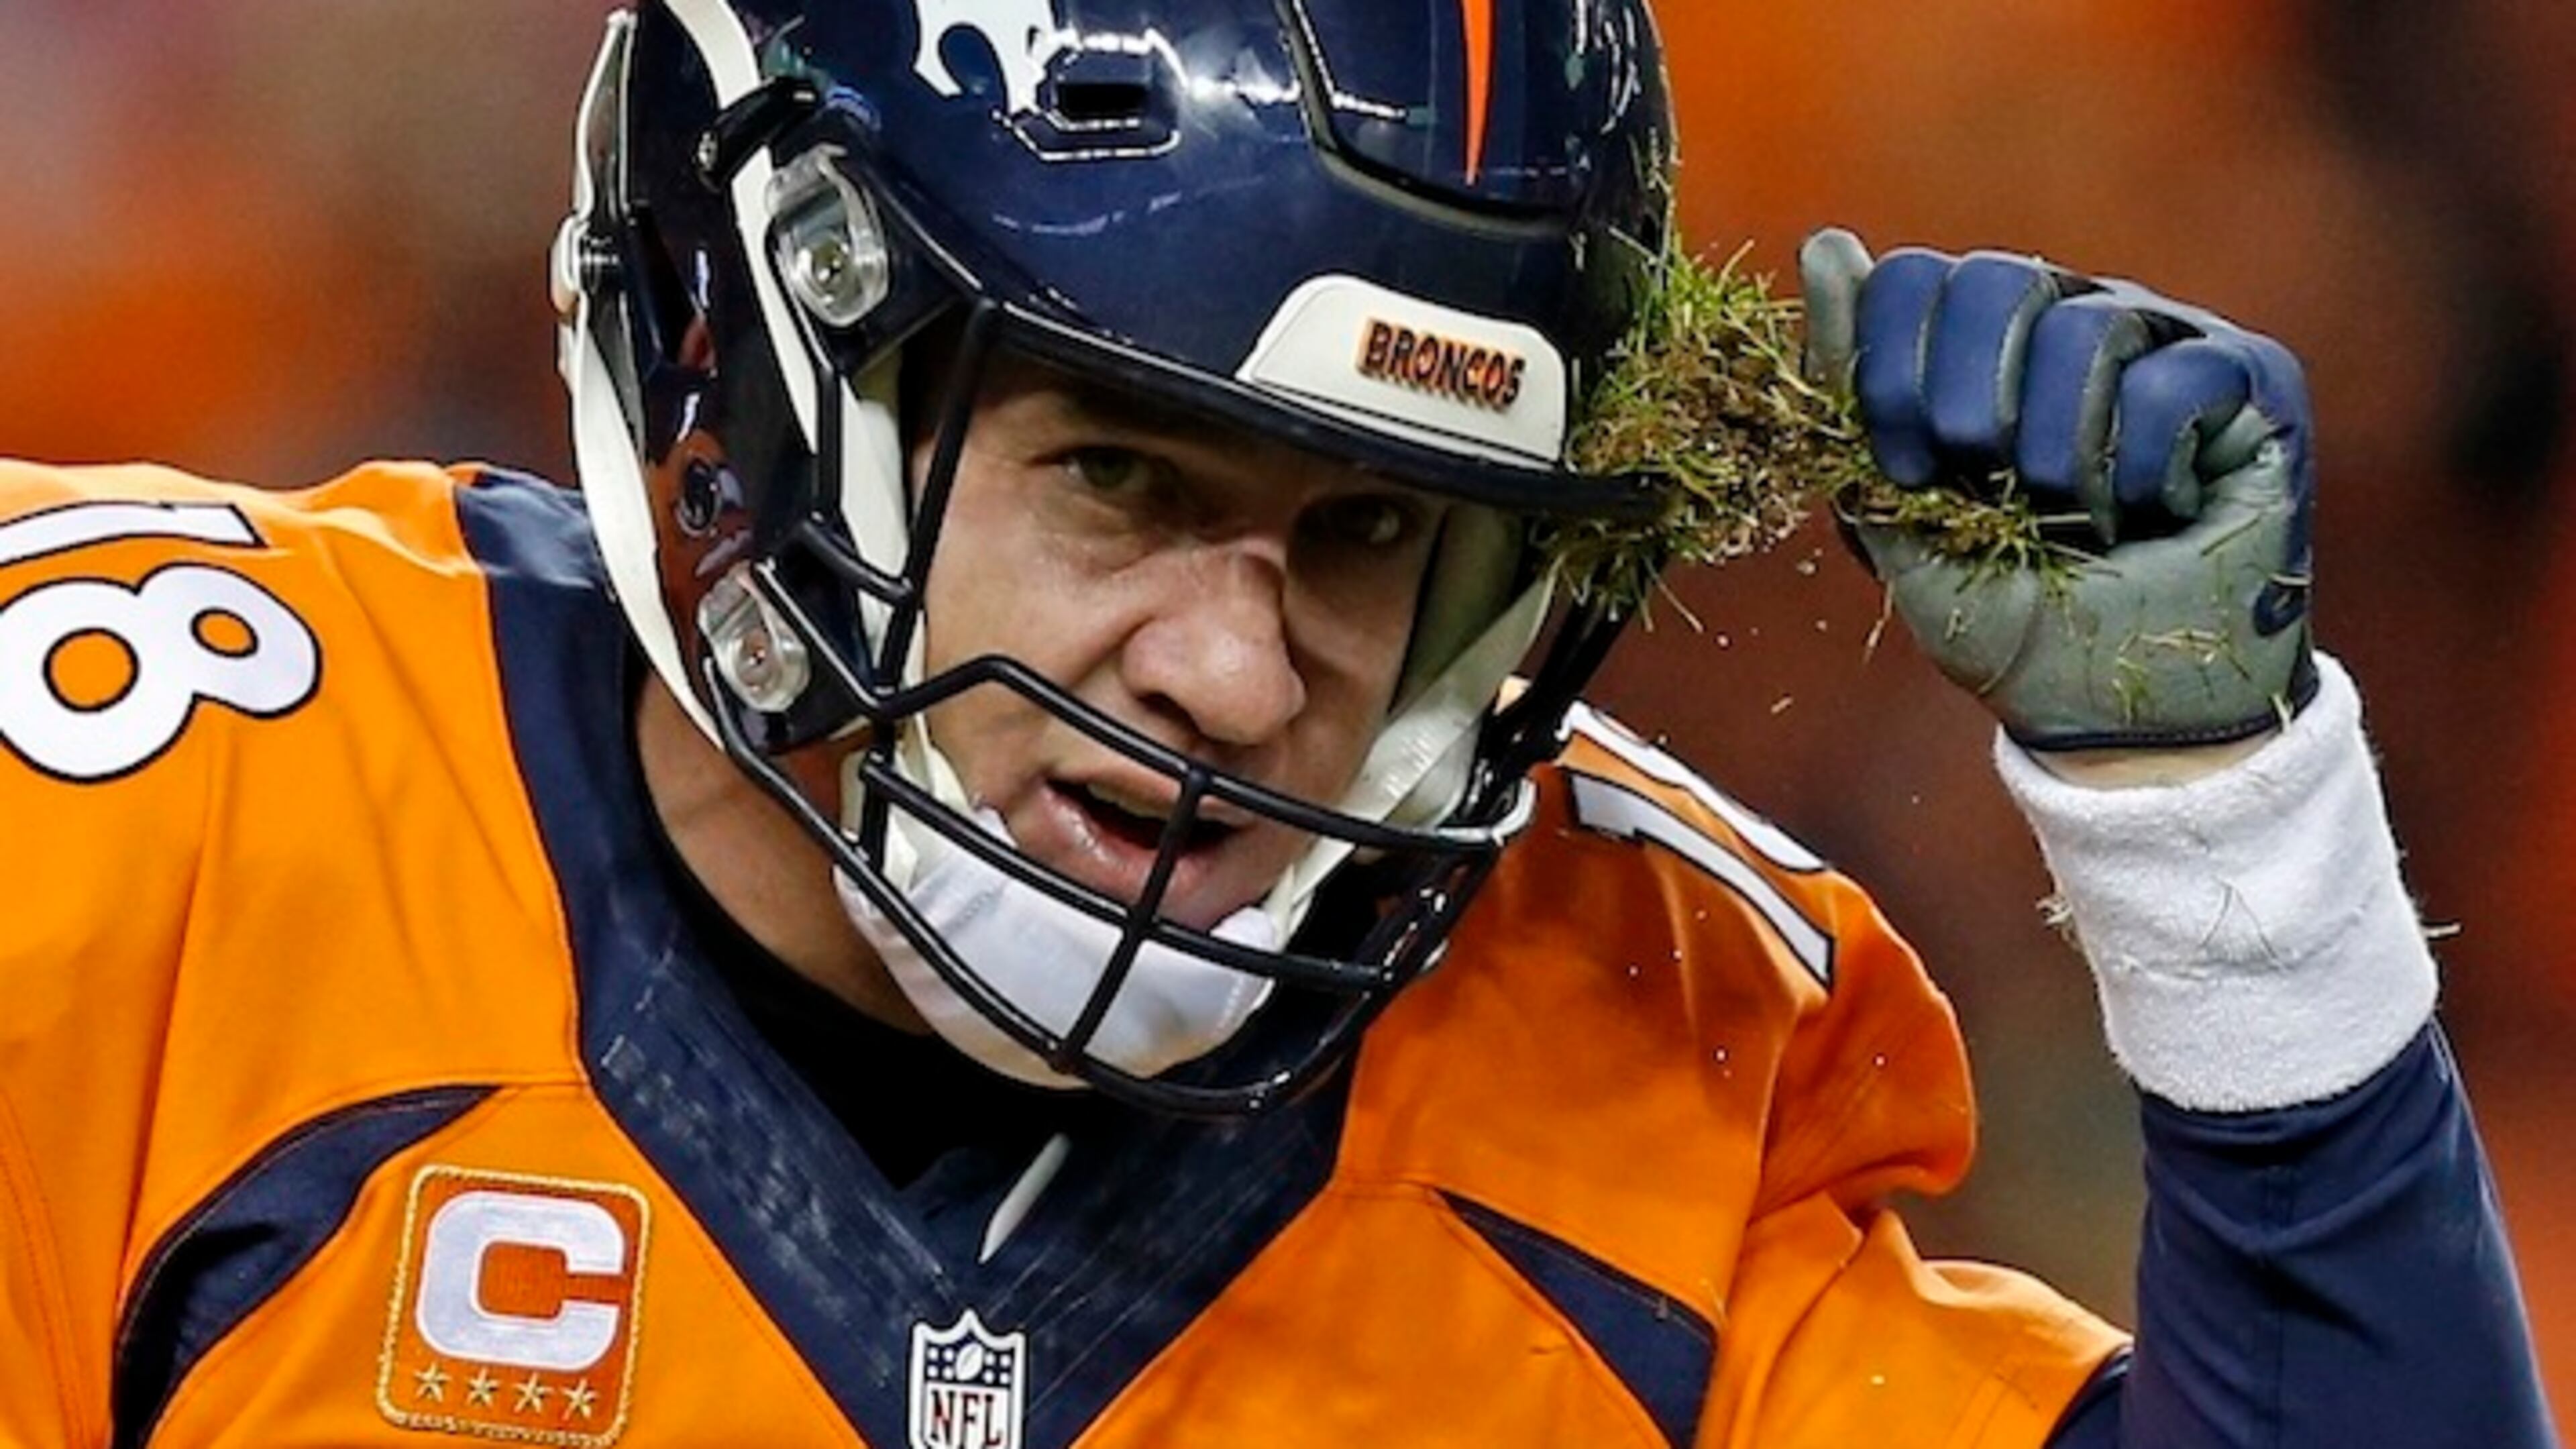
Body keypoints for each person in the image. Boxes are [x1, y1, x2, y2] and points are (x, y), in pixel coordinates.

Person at [0, 1, 2550, 1445]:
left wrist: (2231, 856)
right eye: (1117, 473)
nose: (1237, 673)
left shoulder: (1651, 1049)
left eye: (1367, 535)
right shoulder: (151, 820)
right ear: (745, 385)